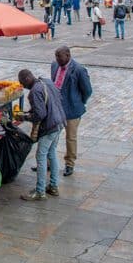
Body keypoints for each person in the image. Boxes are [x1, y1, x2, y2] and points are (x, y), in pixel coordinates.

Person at [15, 69, 66, 201]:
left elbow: (40, 114)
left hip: (50, 126)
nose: (22, 86)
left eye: (22, 83)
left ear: (27, 79)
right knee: (52, 153)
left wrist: (24, 117)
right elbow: (53, 100)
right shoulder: (46, 81)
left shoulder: (34, 92)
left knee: (41, 156)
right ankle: (53, 186)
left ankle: (40, 191)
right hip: (60, 121)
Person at [50, 47, 92, 177]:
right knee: (50, 135)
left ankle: (69, 164)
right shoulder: (54, 65)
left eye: (60, 56)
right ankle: (48, 162)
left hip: (72, 109)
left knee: (70, 138)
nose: (57, 59)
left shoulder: (79, 70)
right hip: (56, 108)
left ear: (68, 55)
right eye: (56, 56)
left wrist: (78, 102)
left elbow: (87, 90)